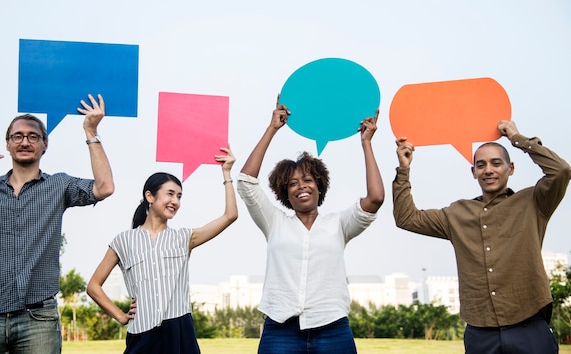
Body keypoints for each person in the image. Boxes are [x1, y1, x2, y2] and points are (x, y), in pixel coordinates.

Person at [0, 94, 114, 353]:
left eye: (33, 136)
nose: (25, 141)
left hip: (38, 318)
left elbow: (104, 187)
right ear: (8, 144)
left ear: (45, 145)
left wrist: (91, 130)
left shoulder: (59, 185)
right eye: (18, 136)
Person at [393, 120, 571, 353]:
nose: (488, 170)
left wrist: (517, 139)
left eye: (496, 163)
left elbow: (561, 171)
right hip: (480, 331)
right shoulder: (456, 214)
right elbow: (407, 218)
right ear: (473, 171)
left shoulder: (534, 202)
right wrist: (404, 169)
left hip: (529, 326)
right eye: (481, 165)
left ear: (511, 168)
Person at [237, 96, 384, 354]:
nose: (301, 186)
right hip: (280, 330)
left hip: (332, 329)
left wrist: (366, 143)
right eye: (292, 183)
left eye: (307, 180)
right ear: (285, 192)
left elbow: (375, 198)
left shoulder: (338, 223)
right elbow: (246, 181)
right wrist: (272, 128)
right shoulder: (274, 222)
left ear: (319, 185)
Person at [86, 146, 238, 354]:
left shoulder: (185, 237)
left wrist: (227, 173)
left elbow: (230, 215)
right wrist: (120, 316)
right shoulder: (123, 240)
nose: (175, 201)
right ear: (150, 196)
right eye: (170, 194)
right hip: (142, 334)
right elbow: (94, 286)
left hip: (180, 331)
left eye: (179, 196)